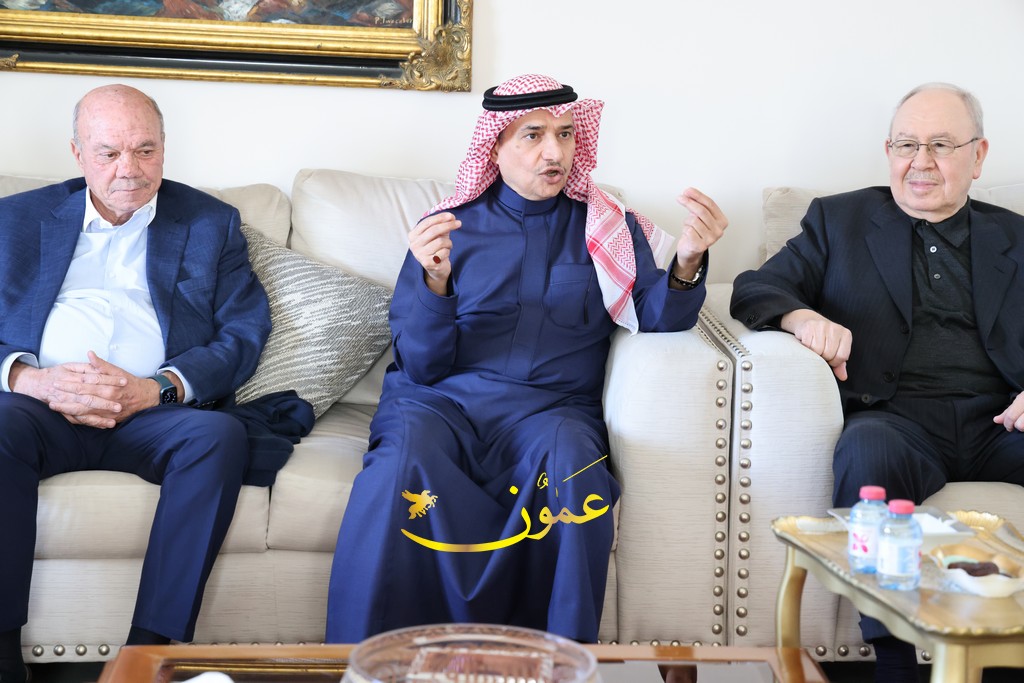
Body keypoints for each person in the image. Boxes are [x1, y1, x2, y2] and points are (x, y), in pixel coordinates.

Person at [325, 73, 728, 644]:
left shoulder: (606, 226)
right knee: (396, 473)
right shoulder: (446, 229)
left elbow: (657, 318)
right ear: (493, 148)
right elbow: (420, 364)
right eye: (533, 136)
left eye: (565, 134)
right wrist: (435, 282)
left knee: (577, 475)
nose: (555, 152)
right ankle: (372, 664)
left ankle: (558, 664)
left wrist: (686, 261)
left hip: (550, 413)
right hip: (440, 407)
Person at [730, 82, 1024, 683]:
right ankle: (890, 664)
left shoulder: (1015, 237)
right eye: (906, 144)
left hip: (1001, 422)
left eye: (941, 145)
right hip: (897, 419)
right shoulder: (839, 221)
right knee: (867, 451)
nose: (921, 161)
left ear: (979, 155)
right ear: (888, 151)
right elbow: (754, 287)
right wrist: (802, 317)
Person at [0, 84, 272, 683]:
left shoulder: (211, 222)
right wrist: (30, 379)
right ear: (78, 153)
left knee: (218, 437)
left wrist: (158, 389)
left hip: (151, 413)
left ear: (164, 148)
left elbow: (243, 333)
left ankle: (147, 655)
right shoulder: (13, 220)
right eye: (109, 153)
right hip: (41, 409)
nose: (129, 169)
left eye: (145, 150)